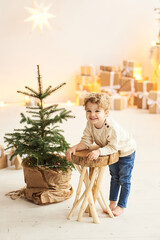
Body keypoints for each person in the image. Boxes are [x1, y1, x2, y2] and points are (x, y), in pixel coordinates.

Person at [66, 92, 136, 216]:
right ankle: (112, 202)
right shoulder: (90, 124)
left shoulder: (111, 127)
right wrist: (75, 148)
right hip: (111, 149)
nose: (92, 115)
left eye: (97, 111)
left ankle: (121, 205)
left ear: (106, 113)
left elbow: (113, 147)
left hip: (125, 151)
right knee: (114, 177)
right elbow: (86, 141)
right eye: (88, 111)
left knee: (124, 179)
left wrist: (99, 151)